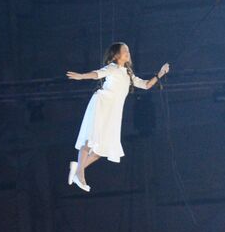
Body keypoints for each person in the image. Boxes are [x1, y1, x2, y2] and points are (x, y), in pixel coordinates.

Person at [65, 42, 169, 191]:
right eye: (124, 51)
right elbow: (97, 74)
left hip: (113, 113)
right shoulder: (112, 68)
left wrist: (160, 73)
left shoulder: (128, 74)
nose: (128, 53)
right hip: (101, 104)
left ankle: (78, 169)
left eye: (128, 50)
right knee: (89, 139)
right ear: (116, 55)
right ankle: (79, 174)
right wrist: (82, 76)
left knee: (101, 150)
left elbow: (146, 85)